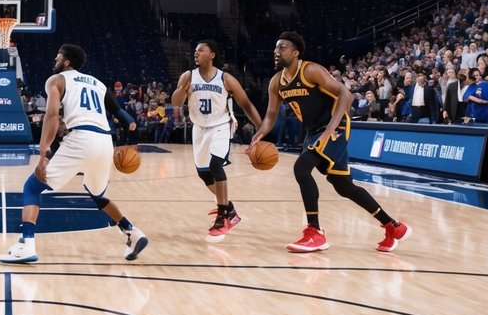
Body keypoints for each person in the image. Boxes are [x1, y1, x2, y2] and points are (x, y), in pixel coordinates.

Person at [250, 32, 410, 253]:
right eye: (276, 48)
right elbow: (270, 114)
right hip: (313, 131)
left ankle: (315, 232)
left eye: (282, 47)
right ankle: (394, 227)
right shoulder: (276, 82)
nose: (277, 51)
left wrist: (329, 130)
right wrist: (260, 133)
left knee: (301, 168)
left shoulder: (310, 70)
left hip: (334, 127)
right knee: (344, 187)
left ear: (295, 52)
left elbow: (346, 94)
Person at [0, 44, 146, 264]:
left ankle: (25, 245)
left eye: (58, 57)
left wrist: (43, 153)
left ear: (67, 61)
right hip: (105, 141)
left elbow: (51, 117)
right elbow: (119, 111)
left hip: (81, 138)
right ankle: (132, 232)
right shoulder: (98, 83)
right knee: (98, 195)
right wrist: (130, 123)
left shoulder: (56, 81)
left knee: (32, 186)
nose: (54, 60)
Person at [170, 40, 263, 242]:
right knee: (204, 174)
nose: (196, 53)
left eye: (201, 50)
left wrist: (261, 128)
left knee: (215, 165)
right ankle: (230, 209)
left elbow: (245, 103)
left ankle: (222, 217)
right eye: (194, 51)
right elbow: (176, 104)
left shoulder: (225, 78)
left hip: (220, 126)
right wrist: (182, 88)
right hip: (199, 128)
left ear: (212, 55)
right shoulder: (188, 76)